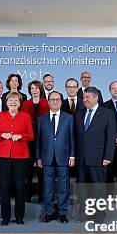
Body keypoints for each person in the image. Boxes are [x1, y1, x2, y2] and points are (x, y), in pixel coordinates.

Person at [0, 92, 34, 225]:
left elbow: (31, 135)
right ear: (6, 102)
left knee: (20, 187)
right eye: (10, 100)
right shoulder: (0, 116)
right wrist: (2, 135)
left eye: (16, 100)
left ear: (20, 103)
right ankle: (5, 217)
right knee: (4, 187)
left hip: (21, 156)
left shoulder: (25, 116)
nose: (13, 102)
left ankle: (20, 216)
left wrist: (21, 136)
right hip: (3, 156)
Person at [35, 91, 75, 223]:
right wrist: (38, 158)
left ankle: (63, 213)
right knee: (48, 187)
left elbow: (72, 139)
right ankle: (49, 212)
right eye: (52, 99)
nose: (55, 101)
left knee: (64, 187)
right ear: (48, 101)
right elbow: (38, 141)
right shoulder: (41, 118)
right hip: (46, 157)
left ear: (61, 101)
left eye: (57, 99)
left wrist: (72, 155)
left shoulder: (68, 118)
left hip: (63, 157)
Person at [75, 87, 116, 183]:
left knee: (98, 191)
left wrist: (108, 157)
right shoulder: (79, 113)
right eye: (83, 97)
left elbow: (111, 137)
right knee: (82, 190)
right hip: (81, 159)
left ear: (96, 98)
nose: (84, 100)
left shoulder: (108, 114)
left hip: (99, 159)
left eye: (87, 97)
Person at [21, 80, 50, 202]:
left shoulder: (46, 103)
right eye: (32, 88)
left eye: (36, 88)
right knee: (27, 170)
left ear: (40, 90)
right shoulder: (25, 104)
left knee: (41, 169)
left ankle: (41, 195)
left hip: (43, 140)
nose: (34, 90)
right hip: (28, 141)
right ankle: (27, 194)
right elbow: (23, 121)